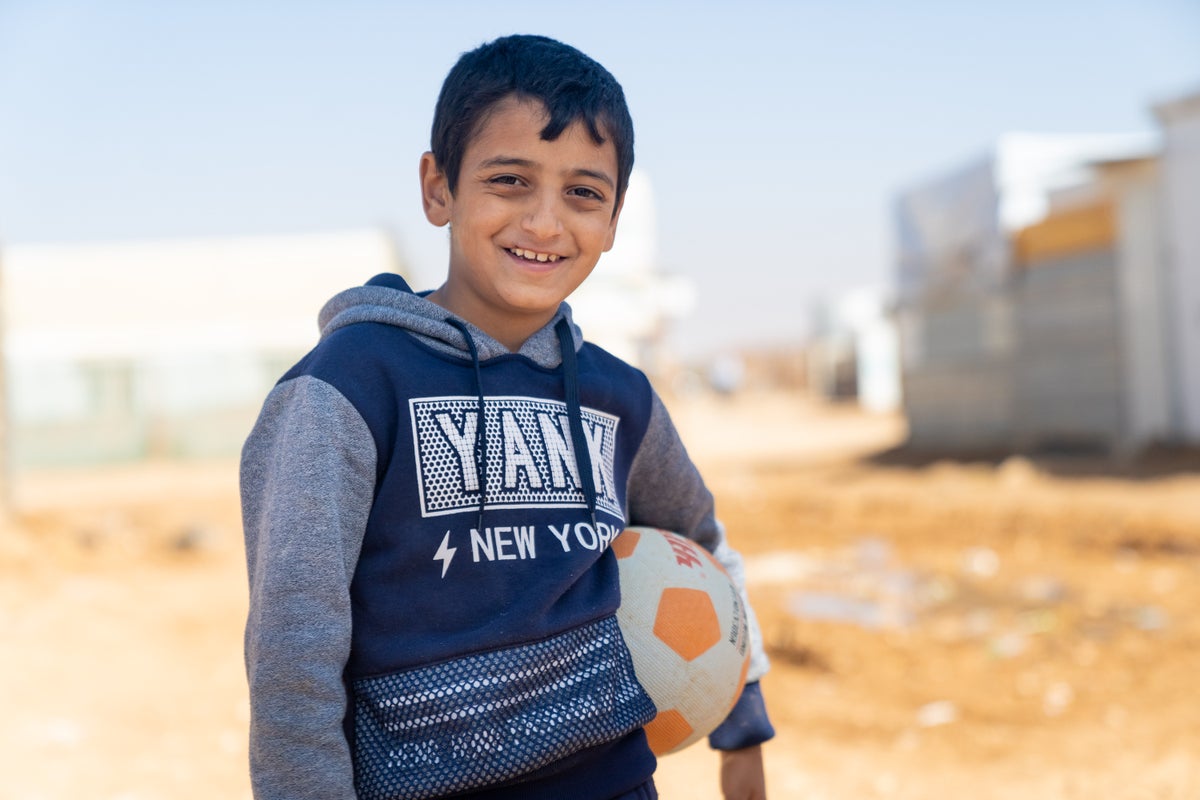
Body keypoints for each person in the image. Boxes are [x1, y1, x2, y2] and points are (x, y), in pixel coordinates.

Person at [241, 33, 774, 800]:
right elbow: (295, 649)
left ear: (615, 218)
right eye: (510, 181)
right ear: (439, 189)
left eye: (584, 194)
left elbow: (702, 545)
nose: (545, 223)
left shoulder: (619, 397)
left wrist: (741, 719)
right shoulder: (348, 389)